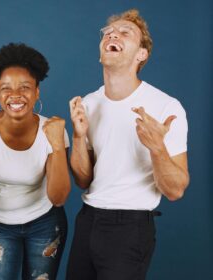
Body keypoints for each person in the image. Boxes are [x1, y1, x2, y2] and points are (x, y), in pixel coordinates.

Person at [66, 9, 189, 280]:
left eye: (125, 33)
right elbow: (83, 180)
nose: (112, 34)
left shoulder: (166, 107)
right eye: (108, 32)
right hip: (87, 220)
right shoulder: (88, 104)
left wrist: (157, 147)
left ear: (141, 55)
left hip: (130, 227)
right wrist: (78, 135)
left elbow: (175, 190)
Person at [0, 43, 71, 280]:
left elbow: (59, 197)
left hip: (45, 222)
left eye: (25, 87)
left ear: (37, 92)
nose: (15, 95)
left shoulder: (52, 130)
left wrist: (56, 145)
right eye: (6, 88)